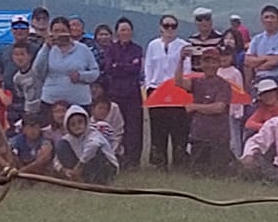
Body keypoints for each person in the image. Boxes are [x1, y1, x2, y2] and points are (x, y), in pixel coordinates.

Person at [99, 17, 146, 169]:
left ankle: (133, 162)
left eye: (128, 30)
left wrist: (118, 65)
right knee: (115, 127)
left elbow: (136, 69)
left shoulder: (137, 49)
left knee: (134, 128)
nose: (125, 33)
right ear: (117, 33)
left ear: (132, 32)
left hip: (133, 94)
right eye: (122, 30)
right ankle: (115, 157)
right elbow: (109, 69)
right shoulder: (110, 49)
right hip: (115, 93)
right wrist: (126, 66)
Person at [26, 16, 99, 115]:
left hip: (79, 101)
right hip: (51, 100)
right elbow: (37, 70)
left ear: (69, 31)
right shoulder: (47, 49)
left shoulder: (83, 49)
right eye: (56, 31)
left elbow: (95, 72)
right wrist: (46, 47)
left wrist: (81, 76)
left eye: (63, 31)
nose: (59, 34)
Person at [144, 15, 189, 170]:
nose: (170, 29)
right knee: (158, 128)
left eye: (173, 26)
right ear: (160, 27)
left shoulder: (183, 45)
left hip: (176, 90)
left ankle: (179, 162)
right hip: (156, 89)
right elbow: (148, 67)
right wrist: (149, 86)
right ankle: (159, 162)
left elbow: (187, 69)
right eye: (166, 25)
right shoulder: (153, 45)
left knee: (178, 128)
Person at [184, 49, 235, 173]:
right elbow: (178, 82)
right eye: (206, 62)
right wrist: (181, 61)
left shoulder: (224, 85)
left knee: (218, 172)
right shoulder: (196, 82)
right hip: (199, 135)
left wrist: (195, 107)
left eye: (213, 62)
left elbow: (219, 108)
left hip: (218, 137)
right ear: (201, 64)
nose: (210, 65)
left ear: (218, 64)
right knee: (198, 172)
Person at [51, 105, 118, 184]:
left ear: (86, 122)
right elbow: (56, 159)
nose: (77, 126)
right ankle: (76, 178)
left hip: (105, 166)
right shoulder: (67, 139)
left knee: (96, 150)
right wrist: (64, 170)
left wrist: (80, 165)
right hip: (83, 168)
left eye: (80, 122)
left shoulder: (93, 133)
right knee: (62, 145)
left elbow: (93, 146)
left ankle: (100, 181)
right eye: (73, 124)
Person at [243, 5, 278, 88]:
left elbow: (275, 61)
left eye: (272, 17)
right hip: (260, 79)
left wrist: (257, 64)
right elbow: (247, 61)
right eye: (266, 17)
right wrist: (268, 58)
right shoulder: (257, 39)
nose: (269, 20)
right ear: (262, 20)